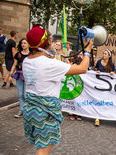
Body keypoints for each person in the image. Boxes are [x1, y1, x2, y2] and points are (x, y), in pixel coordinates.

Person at [23, 25, 92, 154]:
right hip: (45, 112)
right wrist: (87, 50)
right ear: (47, 42)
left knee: (41, 146)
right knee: (43, 149)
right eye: (50, 38)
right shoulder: (49, 64)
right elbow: (82, 68)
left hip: (31, 110)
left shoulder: (27, 61)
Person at [10, 38, 31, 118]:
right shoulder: (18, 54)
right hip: (19, 76)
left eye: (25, 43)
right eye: (22, 43)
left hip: (28, 76)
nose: (23, 45)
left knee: (26, 95)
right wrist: (10, 75)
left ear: (28, 44)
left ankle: (26, 110)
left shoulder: (31, 55)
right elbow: (14, 64)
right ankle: (21, 110)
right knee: (20, 94)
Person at [94, 49, 115, 126]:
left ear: (109, 56)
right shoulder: (99, 62)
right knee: (98, 99)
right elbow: (95, 69)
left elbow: (114, 73)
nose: (104, 55)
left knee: (103, 100)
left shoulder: (111, 64)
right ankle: (97, 117)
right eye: (103, 53)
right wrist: (97, 71)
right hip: (99, 84)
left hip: (106, 86)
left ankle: (103, 114)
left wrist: (112, 73)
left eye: (105, 54)